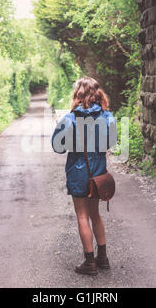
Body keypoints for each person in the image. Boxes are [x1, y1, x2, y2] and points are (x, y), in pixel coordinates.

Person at [51, 77, 116, 276]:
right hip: (98, 172)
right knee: (95, 214)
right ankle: (102, 258)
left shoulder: (69, 119)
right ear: (98, 94)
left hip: (78, 172)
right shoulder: (107, 117)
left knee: (82, 216)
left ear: (77, 95)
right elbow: (110, 143)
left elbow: (58, 147)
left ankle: (89, 262)